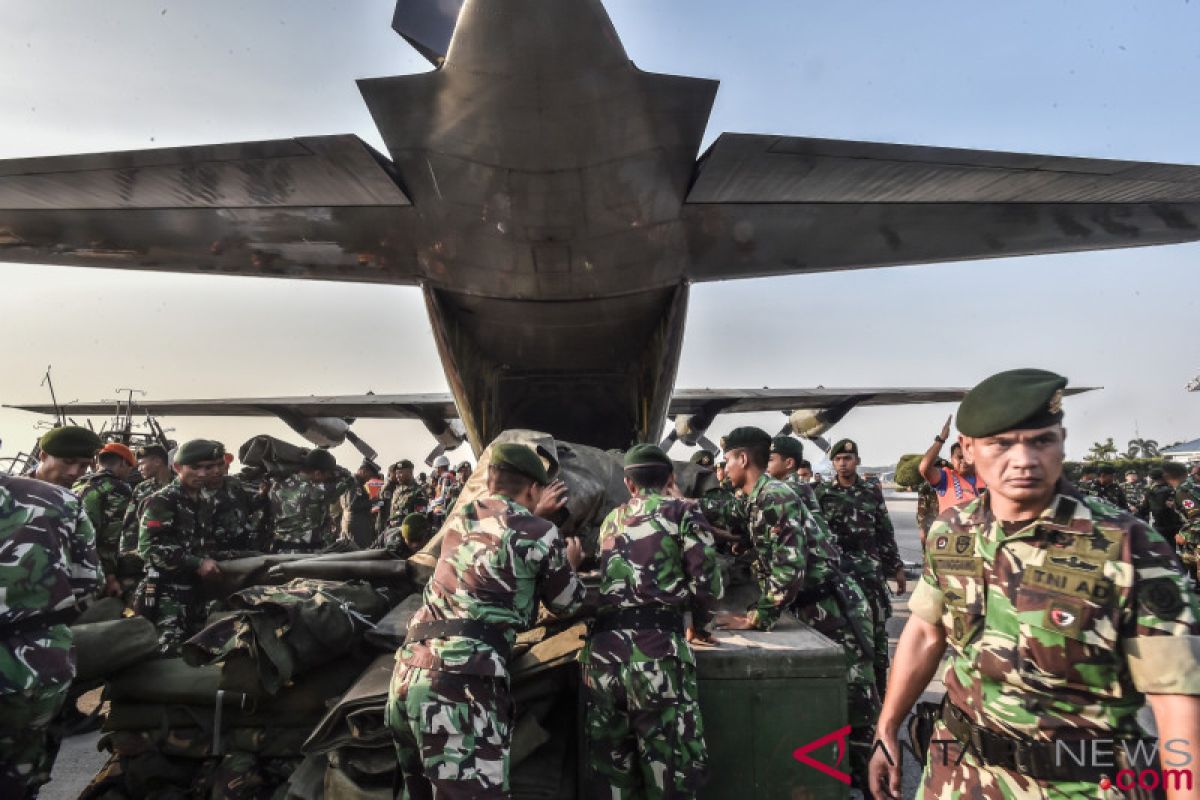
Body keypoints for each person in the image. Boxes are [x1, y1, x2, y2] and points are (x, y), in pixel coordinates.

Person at [870, 368, 1200, 800]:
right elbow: (925, 631)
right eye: (1002, 444)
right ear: (968, 449)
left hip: (1079, 783)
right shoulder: (952, 532)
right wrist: (887, 728)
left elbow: (1175, 700)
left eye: (1041, 440)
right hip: (956, 776)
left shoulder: (1130, 547)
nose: (1023, 460)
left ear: (1062, 440)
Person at [386, 443, 586, 797]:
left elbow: (496, 540)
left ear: (490, 481)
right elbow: (567, 604)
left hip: (408, 673)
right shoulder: (539, 532)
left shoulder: (460, 519)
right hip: (459, 684)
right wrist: (567, 564)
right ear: (534, 489)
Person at [583, 444, 723, 798]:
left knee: (614, 773)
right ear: (671, 478)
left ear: (629, 483)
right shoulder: (683, 511)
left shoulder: (611, 519)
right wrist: (701, 626)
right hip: (657, 657)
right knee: (672, 772)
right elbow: (707, 585)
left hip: (603, 659)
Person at [766, 436, 881, 790]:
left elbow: (791, 564)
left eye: (771, 459)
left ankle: (871, 778)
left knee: (858, 692)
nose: (766, 465)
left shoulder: (790, 492)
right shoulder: (802, 490)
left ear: (787, 463)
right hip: (827, 595)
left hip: (836, 599)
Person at [0, 473, 101, 798]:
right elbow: (87, 582)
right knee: (19, 776)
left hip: (30, 668)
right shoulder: (60, 499)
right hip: (35, 665)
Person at [816, 438, 905, 698]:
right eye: (839, 459)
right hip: (838, 579)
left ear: (857, 460)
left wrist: (896, 567)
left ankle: (879, 697)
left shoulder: (871, 491)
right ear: (833, 463)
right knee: (842, 635)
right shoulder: (822, 494)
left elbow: (884, 531)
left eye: (848, 458)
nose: (843, 463)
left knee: (876, 640)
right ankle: (845, 696)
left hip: (870, 578)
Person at [714, 427, 810, 632]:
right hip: (802, 605)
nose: (726, 468)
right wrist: (680, 504)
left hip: (825, 610)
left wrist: (757, 618)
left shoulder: (774, 496)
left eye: (728, 459)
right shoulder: (758, 496)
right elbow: (728, 510)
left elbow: (790, 567)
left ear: (742, 459)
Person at [136, 439, 225, 655]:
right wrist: (197, 563)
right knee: (166, 655)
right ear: (177, 468)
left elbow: (204, 545)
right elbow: (150, 548)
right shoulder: (162, 500)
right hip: (167, 593)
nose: (203, 474)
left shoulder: (204, 500)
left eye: (208, 467)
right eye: (195, 467)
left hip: (196, 593)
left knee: (196, 652)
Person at [72, 442, 135, 599]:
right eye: (130, 467)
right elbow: (110, 538)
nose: (129, 472)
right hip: (92, 564)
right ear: (122, 463)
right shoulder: (118, 488)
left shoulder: (78, 483)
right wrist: (110, 576)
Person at [267, 449, 356, 554]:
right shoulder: (317, 491)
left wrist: (308, 459)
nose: (327, 479)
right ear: (317, 474)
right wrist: (335, 466)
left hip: (280, 552)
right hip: (306, 556)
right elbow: (350, 479)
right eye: (327, 475)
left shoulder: (276, 486)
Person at [919, 417, 986, 514]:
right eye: (959, 457)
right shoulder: (945, 477)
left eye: (967, 456)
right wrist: (941, 439)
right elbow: (924, 467)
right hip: (952, 529)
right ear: (951, 459)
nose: (964, 461)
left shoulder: (986, 477)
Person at [203, 450, 256, 554]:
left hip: (245, 545)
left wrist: (262, 496)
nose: (217, 470)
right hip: (217, 551)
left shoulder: (233, 482)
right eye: (211, 466)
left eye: (221, 463)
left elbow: (249, 505)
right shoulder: (197, 492)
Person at [33, 426, 102, 489]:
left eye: (83, 466)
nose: (74, 472)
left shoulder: (82, 498)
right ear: (44, 456)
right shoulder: (22, 490)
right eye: (67, 462)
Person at [1165, 461, 1200, 578]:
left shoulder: (1183, 492)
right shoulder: (1193, 487)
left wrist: (1184, 535)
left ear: (1167, 477)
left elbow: (1198, 519)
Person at [381, 460, 429, 537]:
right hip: (392, 533)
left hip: (407, 536)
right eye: (396, 473)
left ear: (410, 472)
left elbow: (419, 520)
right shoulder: (397, 490)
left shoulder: (418, 492)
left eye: (400, 472)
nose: (397, 476)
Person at [341, 459, 382, 549]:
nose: (370, 479)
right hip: (357, 528)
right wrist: (373, 502)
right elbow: (352, 505)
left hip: (356, 525)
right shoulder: (355, 484)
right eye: (371, 476)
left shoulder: (357, 483)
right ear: (363, 471)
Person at [1141, 467, 1184, 553]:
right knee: (1177, 548)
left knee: (1162, 549)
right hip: (1175, 524)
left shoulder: (1149, 492)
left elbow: (1143, 509)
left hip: (1158, 525)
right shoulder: (1173, 490)